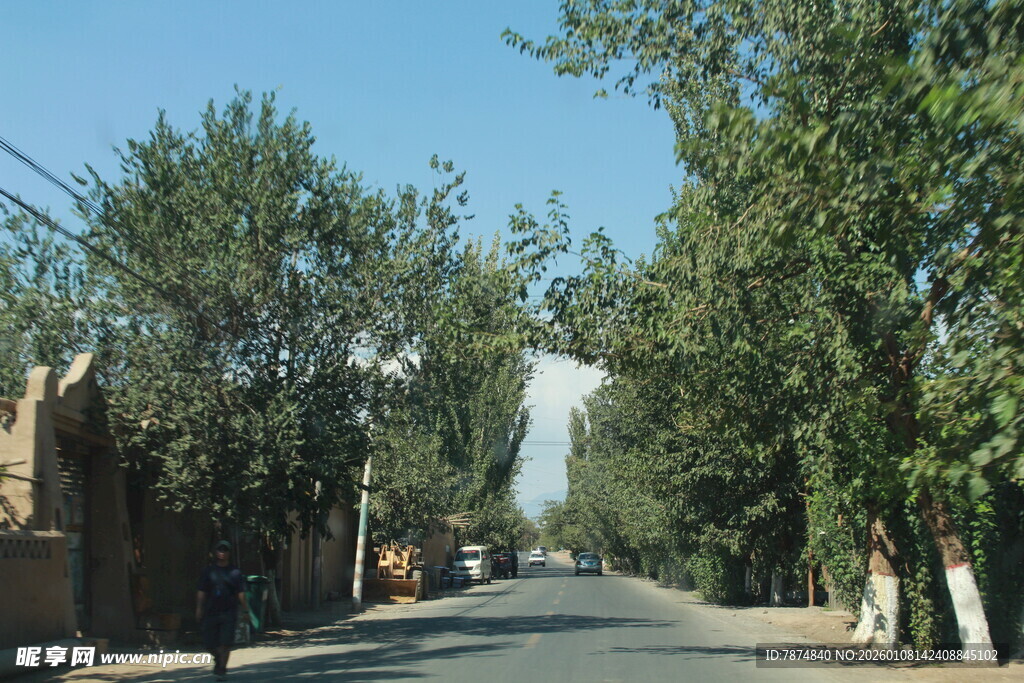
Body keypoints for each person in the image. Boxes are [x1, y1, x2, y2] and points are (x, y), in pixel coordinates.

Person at [196, 540, 247, 681]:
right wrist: (199, 609)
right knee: (209, 644)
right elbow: (201, 591)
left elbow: (241, 593)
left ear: (229, 553)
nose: (222, 553)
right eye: (220, 550)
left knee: (225, 643)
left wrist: (246, 611)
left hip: (229, 612)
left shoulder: (235, 572)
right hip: (211, 612)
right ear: (215, 552)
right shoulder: (208, 571)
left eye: (225, 550)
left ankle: (221, 670)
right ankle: (218, 658)